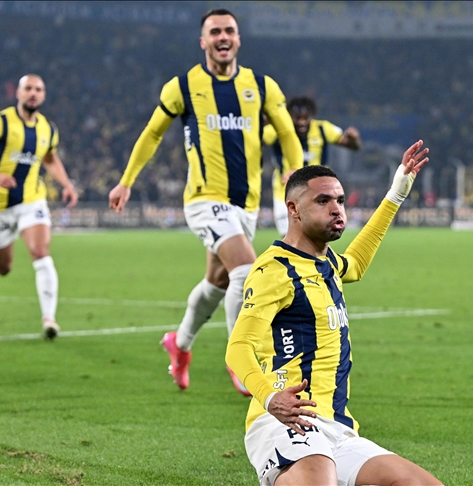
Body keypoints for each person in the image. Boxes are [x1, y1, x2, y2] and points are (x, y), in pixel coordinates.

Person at [108, 9, 304, 392]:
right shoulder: (183, 87)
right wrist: (126, 181)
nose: (222, 37)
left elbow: (287, 135)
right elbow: (152, 134)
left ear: (239, 39)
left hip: (246, 204)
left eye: (229, 30)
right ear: (203, 42)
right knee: (246, 270)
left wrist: (295, 172)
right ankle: (240, 360)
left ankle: (179, 344)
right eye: (215, 32)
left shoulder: (261, 87)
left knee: (217, 281)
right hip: (204, 198)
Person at [226, 141, 442, 486]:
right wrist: (270, 399)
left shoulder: (326, 262)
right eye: (323, 201)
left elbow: (355, 263)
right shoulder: (274, 270)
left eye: (340, 201)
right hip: (287, 421)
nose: (337, 209)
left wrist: (396, 194)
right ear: (293, 209)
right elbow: (238, 348)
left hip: (338, 427)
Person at [0, 74, 78, 339]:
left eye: (38, 89)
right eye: (28, 88)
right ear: (18, 93)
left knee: (40, 251)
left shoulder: (48, 129)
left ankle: (49, 320)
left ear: (44, 95)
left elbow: (50, 159)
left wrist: (67, 184)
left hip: (31, 200)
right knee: (3, 268)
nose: (33, 93)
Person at [264, 97, 362, 236]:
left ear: (312, 115)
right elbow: (255, 141)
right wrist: (261, 124)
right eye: (297, 118)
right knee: (289, 236)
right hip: (285, 192)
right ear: (290, 117)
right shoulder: (279, 129)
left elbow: (352, 146)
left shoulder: (323, 128)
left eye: (305, 118)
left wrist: (354, 139)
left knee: (317, 235)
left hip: (318, 194)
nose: (302, 122)